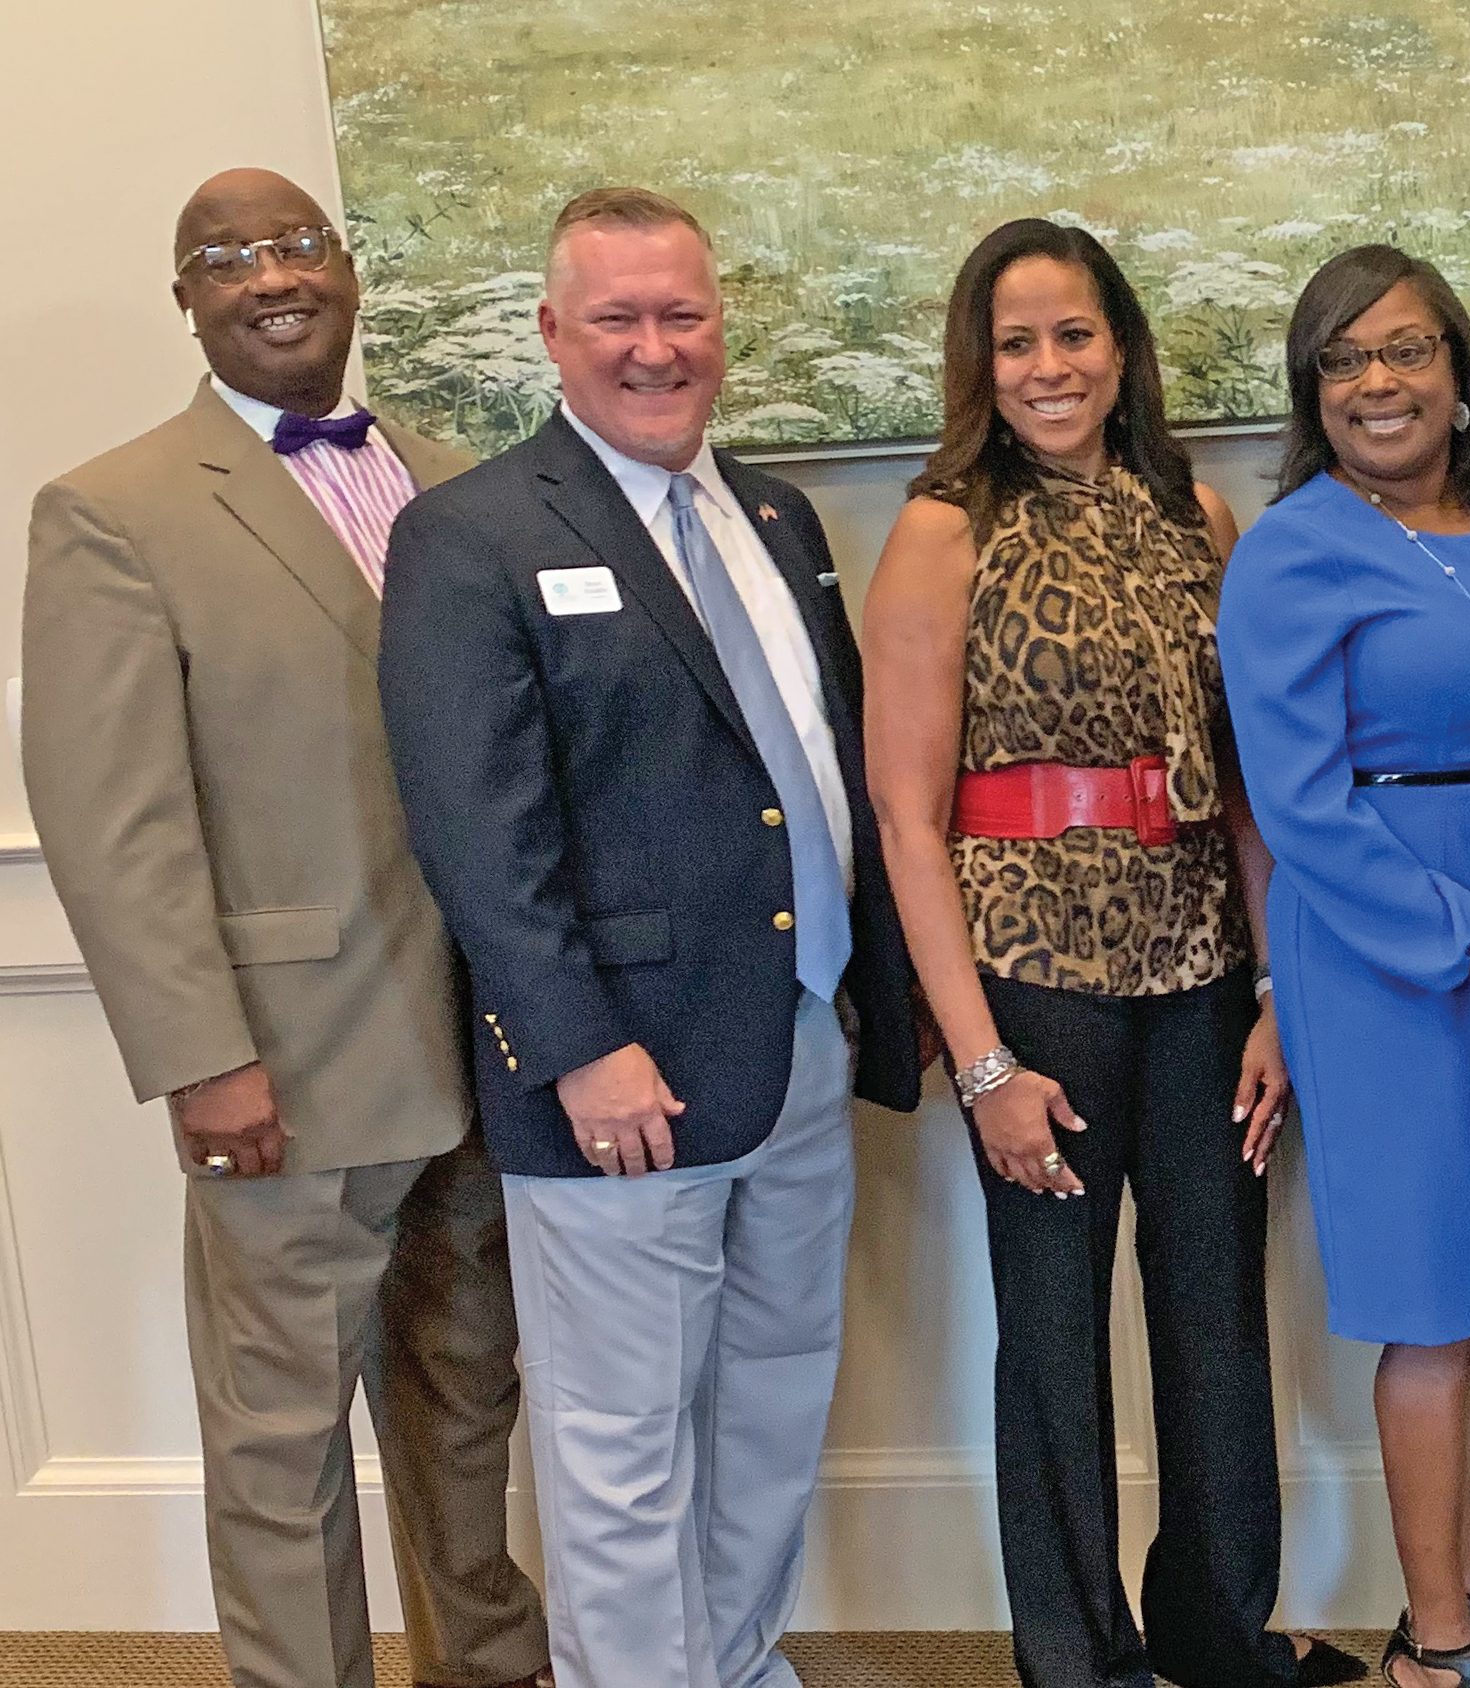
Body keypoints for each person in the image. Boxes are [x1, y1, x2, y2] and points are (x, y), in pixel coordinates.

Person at [378, 186, 924, 1688]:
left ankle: (734, 1666)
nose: (654, 347)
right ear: (552, 333)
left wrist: (873, 1006)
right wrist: (579, 1050)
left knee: (771, 1403)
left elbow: (816, 768)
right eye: (616, 317)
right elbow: (479, 835)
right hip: (619, 1083)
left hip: (800, 1046)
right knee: (619, 1445)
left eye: (681, 314)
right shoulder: (470, 537)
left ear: (720, 326)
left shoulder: (777, 517)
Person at [19, 167, 549, 1688]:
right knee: (281, 1435)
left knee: (469, 1396)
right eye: (226, 256)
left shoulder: (462, 482)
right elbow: (111, 816)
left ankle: (488, 1664)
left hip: (488, 1045)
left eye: (297, 244)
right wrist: (201, 1055)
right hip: (287, 1064)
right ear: (185, 298)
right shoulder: (112, 512)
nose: (270, 276)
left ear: (349, 270)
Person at [858, 218, 1362, 1688]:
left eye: (1073, 334)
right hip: (1032, 984)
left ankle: (1219, 1631)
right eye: (1016, 342)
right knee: (1054, 1338)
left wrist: (1274, 991)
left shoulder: (1199, 516)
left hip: (1202, 973)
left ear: (1122, 347)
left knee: (1217, 1317)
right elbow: (905, 819)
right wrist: (981, 1063)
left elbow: (1248, 787)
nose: (1049, 367)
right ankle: (1079, 1658)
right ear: (981, 365)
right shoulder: (942, 530)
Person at [1220, 246, 1470, 1688]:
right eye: (1344, 359)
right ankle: (1433, 1650)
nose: (1378, 381)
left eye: (1406, 349)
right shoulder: (1293, 551)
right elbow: (1299, 804)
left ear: (1458, 369)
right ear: (1313, 391)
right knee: (1431, 1303)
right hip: (1390, 956)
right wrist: (1468, 942)